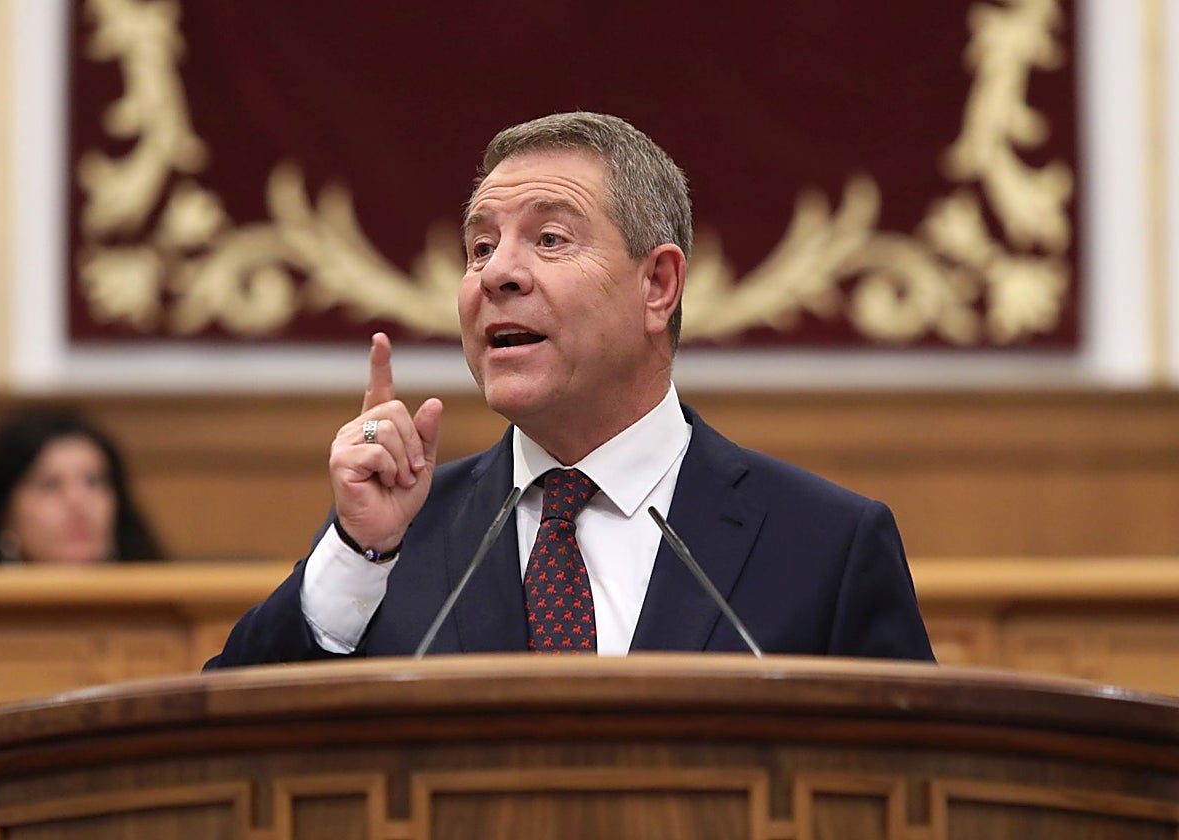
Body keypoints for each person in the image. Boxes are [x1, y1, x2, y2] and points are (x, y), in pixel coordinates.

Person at [208, 111, 934, 666]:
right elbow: (232, 753)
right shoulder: (391, 539)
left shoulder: (826, 545)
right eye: (481, 247)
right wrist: (357, 552)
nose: (497, 274)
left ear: (658, 285)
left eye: (550, 239)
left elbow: (913, 795)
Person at [0, 409, 166, 565]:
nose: (78, 501)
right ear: (3, 512)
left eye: (94, 482)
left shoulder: (171, 598)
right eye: (50, 485)